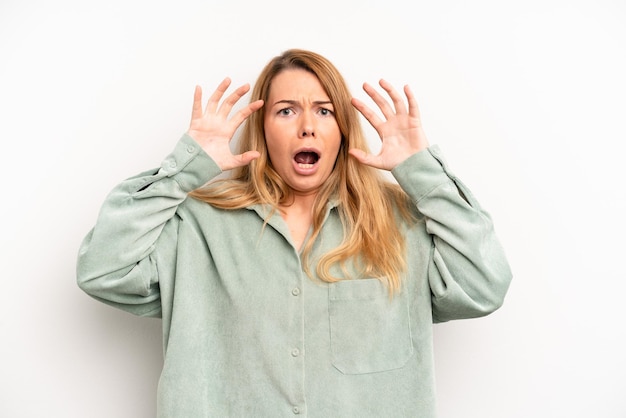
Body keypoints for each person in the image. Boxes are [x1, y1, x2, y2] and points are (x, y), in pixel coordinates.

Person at [77, 48, 512, 417]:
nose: (307, 126)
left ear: (342, 129)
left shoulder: (402, 223)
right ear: (263, 129)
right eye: (287, 111)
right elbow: (103, 270)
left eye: (324, 111)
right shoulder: (196, 226)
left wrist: (421, 172)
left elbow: (485, 285)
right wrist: (182, 170)